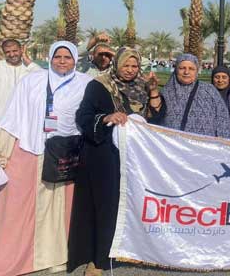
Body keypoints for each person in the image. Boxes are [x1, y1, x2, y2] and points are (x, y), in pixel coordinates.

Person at [0, 41, 92, 276]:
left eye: (67, 57)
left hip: (66, 155)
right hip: (29, 151)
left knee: (62, 210)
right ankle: (17, 260)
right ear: (50, 58)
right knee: (16, 209)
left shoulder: (86, 84)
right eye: (57, 56)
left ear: (75, 59)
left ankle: (58, 257)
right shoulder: (32, 81)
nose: (62, 61)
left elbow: (95, 116)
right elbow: (11, 118)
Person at [68, 47, 164, 275]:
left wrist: (153, 91)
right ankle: (98, 260)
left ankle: (129, 251)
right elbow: (83, 117)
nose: (130, 70)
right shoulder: (99, 85)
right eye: (125, 65)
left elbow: (157, 117)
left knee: (133, 204)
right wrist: (107, 118)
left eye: (134, 66)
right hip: (105, 158)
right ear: (116, 64)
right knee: (107, 206)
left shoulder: (143, 86)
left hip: (134, 158)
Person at [0, 39, 39, 162]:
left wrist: (28, 60)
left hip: (20, 123)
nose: (12, 54)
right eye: (8, 52)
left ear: (21, 50)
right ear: (3, 52)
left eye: (15, 51)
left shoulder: (29, 69)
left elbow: (43, 79)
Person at [160, 54, 230, 137]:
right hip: (173, 143)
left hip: (204, 144)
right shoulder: (166, 93)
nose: (186, 72)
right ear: (176, 70)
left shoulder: (209, 91)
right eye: (182, 68)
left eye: (191, 69)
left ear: (196, 71)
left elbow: (223, 119)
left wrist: (223, 141)